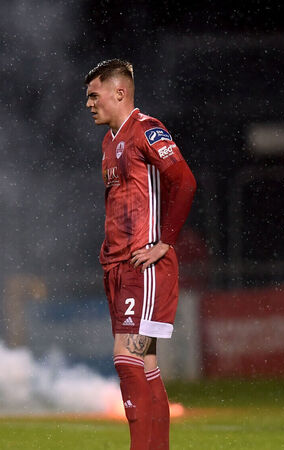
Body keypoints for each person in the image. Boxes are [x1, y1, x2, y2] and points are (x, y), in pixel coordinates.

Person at [84, 59, 196, 449]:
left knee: (125, 356)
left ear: (120, 92)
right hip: (117, 265)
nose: (89, 103)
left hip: (141, 264)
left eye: (94, 95)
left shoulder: (147, 130)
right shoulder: (108, 141)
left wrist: (165, 240)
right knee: (146, 362)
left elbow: (184, 181)